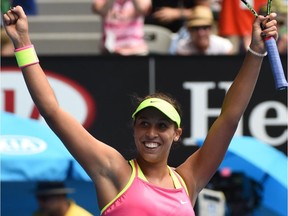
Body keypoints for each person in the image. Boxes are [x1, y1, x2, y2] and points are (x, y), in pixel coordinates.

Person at [3, 5, 278, 216]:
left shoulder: (188, 180)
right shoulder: (113, 170)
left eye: (162, 126)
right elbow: (52, 111)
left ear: (177, 133)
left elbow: (229, 117)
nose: (151, 132)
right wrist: (23, 43)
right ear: (134, 128)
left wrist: (255, 51)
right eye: (144, 123)